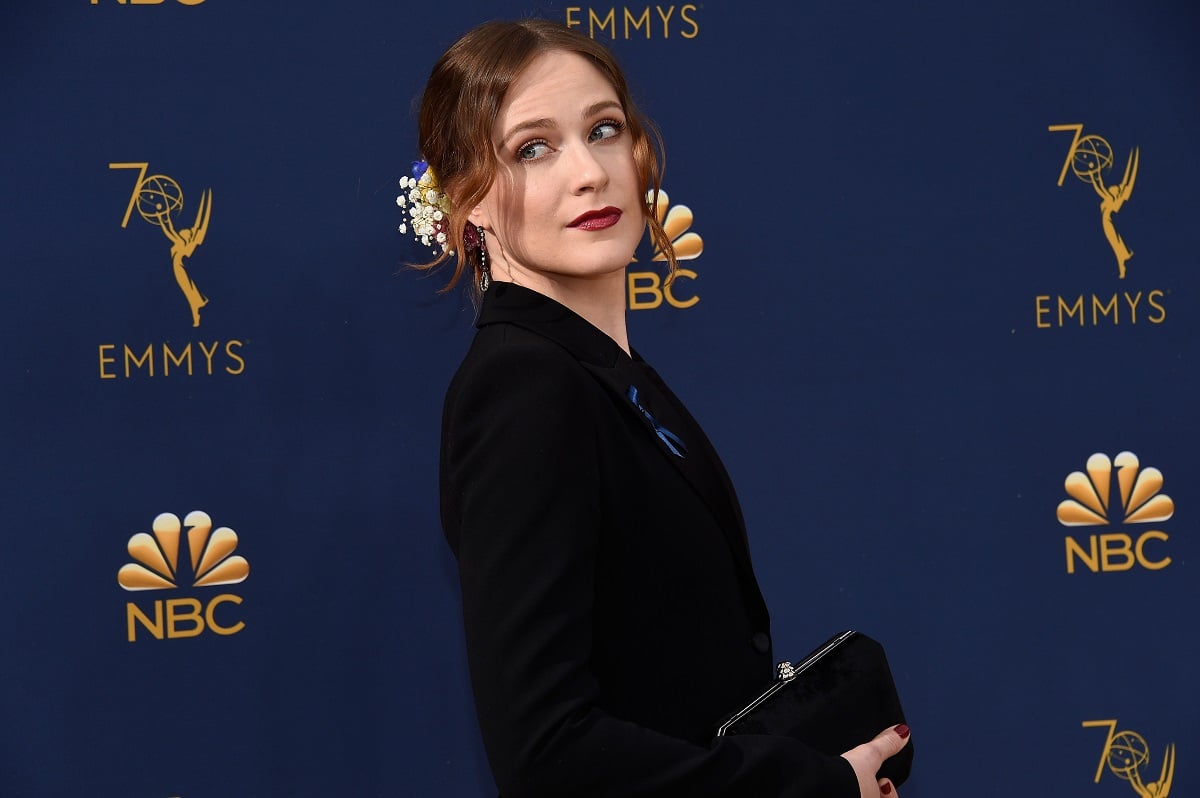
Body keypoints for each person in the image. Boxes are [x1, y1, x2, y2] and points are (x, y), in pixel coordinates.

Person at [405, 18, 911, 798]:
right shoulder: (524, 388)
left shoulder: (600, 373)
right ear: (467, 197)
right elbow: (548, 756)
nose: (589, 172)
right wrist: (809, 787)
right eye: (533, 148)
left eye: (603, 130)